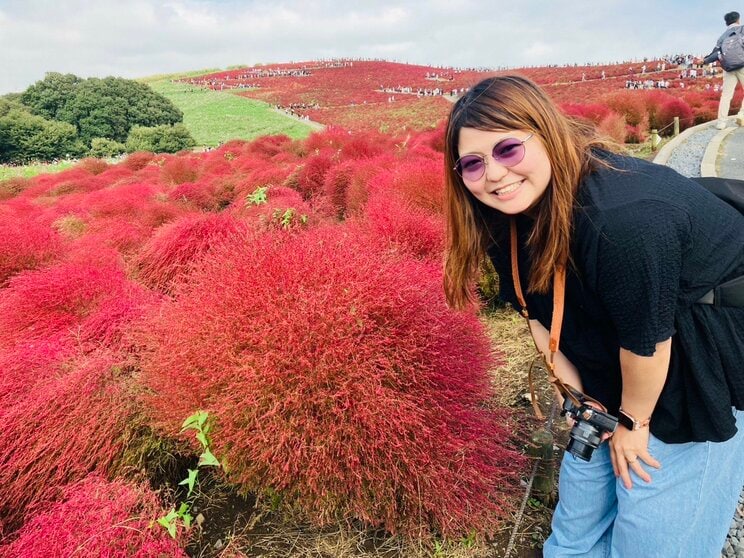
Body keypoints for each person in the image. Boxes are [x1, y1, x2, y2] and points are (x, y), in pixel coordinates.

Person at [443, 75, 744, 557]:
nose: (493, 175)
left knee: (653, 518)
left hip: (696, 344)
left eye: (507, 150)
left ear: (546, 133)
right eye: (473, 163)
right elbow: (537, 316)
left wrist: (634, 423)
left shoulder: (624, 221)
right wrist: (579, 400)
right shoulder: (503, 218)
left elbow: (647, 340)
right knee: (581, 506)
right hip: (619, 335)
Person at [704, 11, 744, 129]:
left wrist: (705, 61)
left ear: (726, 23)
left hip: (728, 68)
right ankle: (742, 115)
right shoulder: (742, 29)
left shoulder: (722, 36)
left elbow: (715, 53)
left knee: (726, 95)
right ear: (738, 20)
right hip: (742, 65)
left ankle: (721, 122)